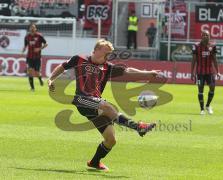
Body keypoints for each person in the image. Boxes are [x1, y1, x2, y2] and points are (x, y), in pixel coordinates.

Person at [48, 39, 157, 171]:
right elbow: (62, 66)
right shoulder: (79, 59)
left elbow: (127, 70)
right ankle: (138, 126)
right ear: (97, 50)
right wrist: (51, 79)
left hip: (96, 103)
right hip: (82, 100)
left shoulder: (108, 67)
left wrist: (147, 73)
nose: (109, 55)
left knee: (111, 140)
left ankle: (94, 162)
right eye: (107, 52)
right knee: (107, 107)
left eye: (110, 53)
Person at [191, 30, 220, 115]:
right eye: (203, 35)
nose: (205, 36)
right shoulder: (196, 46)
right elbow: (193, 60)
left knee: (212, 87)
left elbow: (215, 59)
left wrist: (218, 71)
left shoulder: (212, 46)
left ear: (209, 36)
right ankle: (202, 109)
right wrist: (192, 72)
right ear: (201, 36)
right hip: (199, 73)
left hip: (210, 72)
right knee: (200, 89)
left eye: (206, 35)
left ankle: (208, 105)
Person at [22, 23, 48, 91]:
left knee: (36, 73)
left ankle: (40, 79)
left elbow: (46, 44)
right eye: (31, 27)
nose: (32, 29)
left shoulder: (39, 36)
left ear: (35, 29)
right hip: (29, 57)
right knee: (30, 71)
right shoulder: (27, 37)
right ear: (29, 29)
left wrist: (39, 49)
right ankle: (32, 88)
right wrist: (23, 49)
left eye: (34, 27)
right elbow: (25, 45)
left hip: (37, 57)